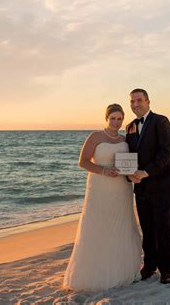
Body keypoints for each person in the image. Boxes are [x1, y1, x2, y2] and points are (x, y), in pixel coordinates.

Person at [62, 104, 142, 291]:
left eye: (119, 119)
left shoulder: (125, 139)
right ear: (106, 118)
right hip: (100, 187)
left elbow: (127, 165)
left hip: (121, 188)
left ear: (123, 119)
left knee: (122, 225)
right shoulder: (95, 137)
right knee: (97, 225)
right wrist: (104, 170)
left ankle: (122, 271)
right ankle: (93, 273)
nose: (116, 122)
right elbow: (83, 162)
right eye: (113, 118)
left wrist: (132, 175)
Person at [126, 88, 170, 284]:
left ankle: (166, 269)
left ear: (148, 101)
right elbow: (130, 156)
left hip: (161, 184)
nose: (135, 104)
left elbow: (166, 152)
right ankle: (149, 266)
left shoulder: (161, 121)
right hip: (141, 188)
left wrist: (146, 172)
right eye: (132, 101)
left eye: (139, 100)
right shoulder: (130, 127)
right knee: (147, 229)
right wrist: (129, 175)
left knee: (164, 228)